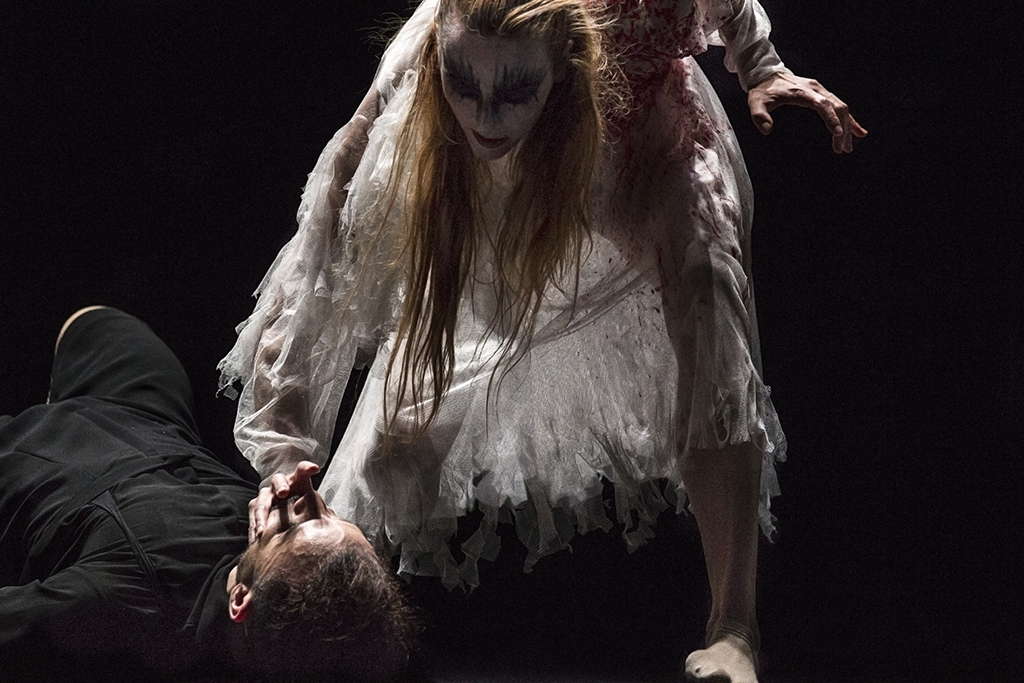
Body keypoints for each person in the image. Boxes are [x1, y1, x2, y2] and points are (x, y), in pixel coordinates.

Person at [219, 1, 866, 681]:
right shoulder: (418, 77)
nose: (485, 115)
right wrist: (284, 458)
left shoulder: (639, 17)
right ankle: (321, 600)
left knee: (709, 282)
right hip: (485, 187)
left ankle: (734, 626)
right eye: (463, 83)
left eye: (514, 90)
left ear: (562, 64)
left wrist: (759, 63)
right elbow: (318, 261)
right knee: (397, 441)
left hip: (630, 137)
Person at [0, 307, 415, 683]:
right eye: (331, 514)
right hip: (154, 424)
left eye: (292, 526)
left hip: (40, 452)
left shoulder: (123, 601)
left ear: (240, 600)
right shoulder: (307, 622)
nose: (306, 491)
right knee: (98, 322)